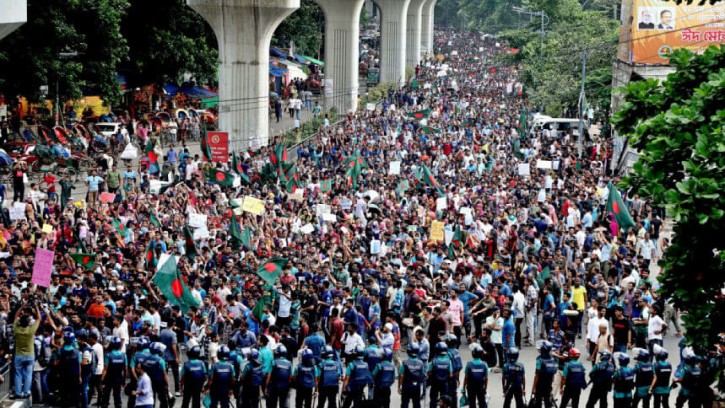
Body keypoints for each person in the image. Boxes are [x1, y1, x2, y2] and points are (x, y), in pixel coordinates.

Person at [13, 302, 41, 399]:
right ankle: (26, 392)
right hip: (30, 355)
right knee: (28, 374)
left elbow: (16, 315)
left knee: (18, 374)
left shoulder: (16, 329)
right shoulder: (31, 330)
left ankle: (18, 392)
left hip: (18, 355)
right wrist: (36, 306)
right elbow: (39, 318)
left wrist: (23, 305)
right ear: (28, 323)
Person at [57, 331, 82, 408]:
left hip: (63, 375)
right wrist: (80, 376)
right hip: (74, 375)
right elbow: (79, 364)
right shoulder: (77, 352)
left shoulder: (60, 350)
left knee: (64, 393)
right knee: (75, 393)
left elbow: (57, 362)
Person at [101, 337, 127, 408]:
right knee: (117, 396)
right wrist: (124, 380)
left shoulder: (108, 355)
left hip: (109, 378)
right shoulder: (124, 355)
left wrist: (102, 380)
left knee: (106, 396)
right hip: (118, 378)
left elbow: (105, 369)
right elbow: (125, 369)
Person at [143, 342, 170, 408]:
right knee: (163, 400)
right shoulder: (160, 360)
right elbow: (164, 374)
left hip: (149, 382)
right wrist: (167, 384)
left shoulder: (146, 358)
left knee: (151, 399)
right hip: (160, 383)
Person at [531, 341, 557, 408]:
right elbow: (553, 374)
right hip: (548, 383)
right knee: (547, 401)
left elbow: (536, 375)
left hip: (540, 384)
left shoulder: (539, 360)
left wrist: (534, 388)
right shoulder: (553, 359)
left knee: (538, 402)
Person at [428, 342, 453, 408]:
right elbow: (451, 374)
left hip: (435, 384)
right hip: (444, 384)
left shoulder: (433, 361)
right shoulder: (448, 361)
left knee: (433, 400)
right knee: (444, 401)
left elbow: (429, 372)